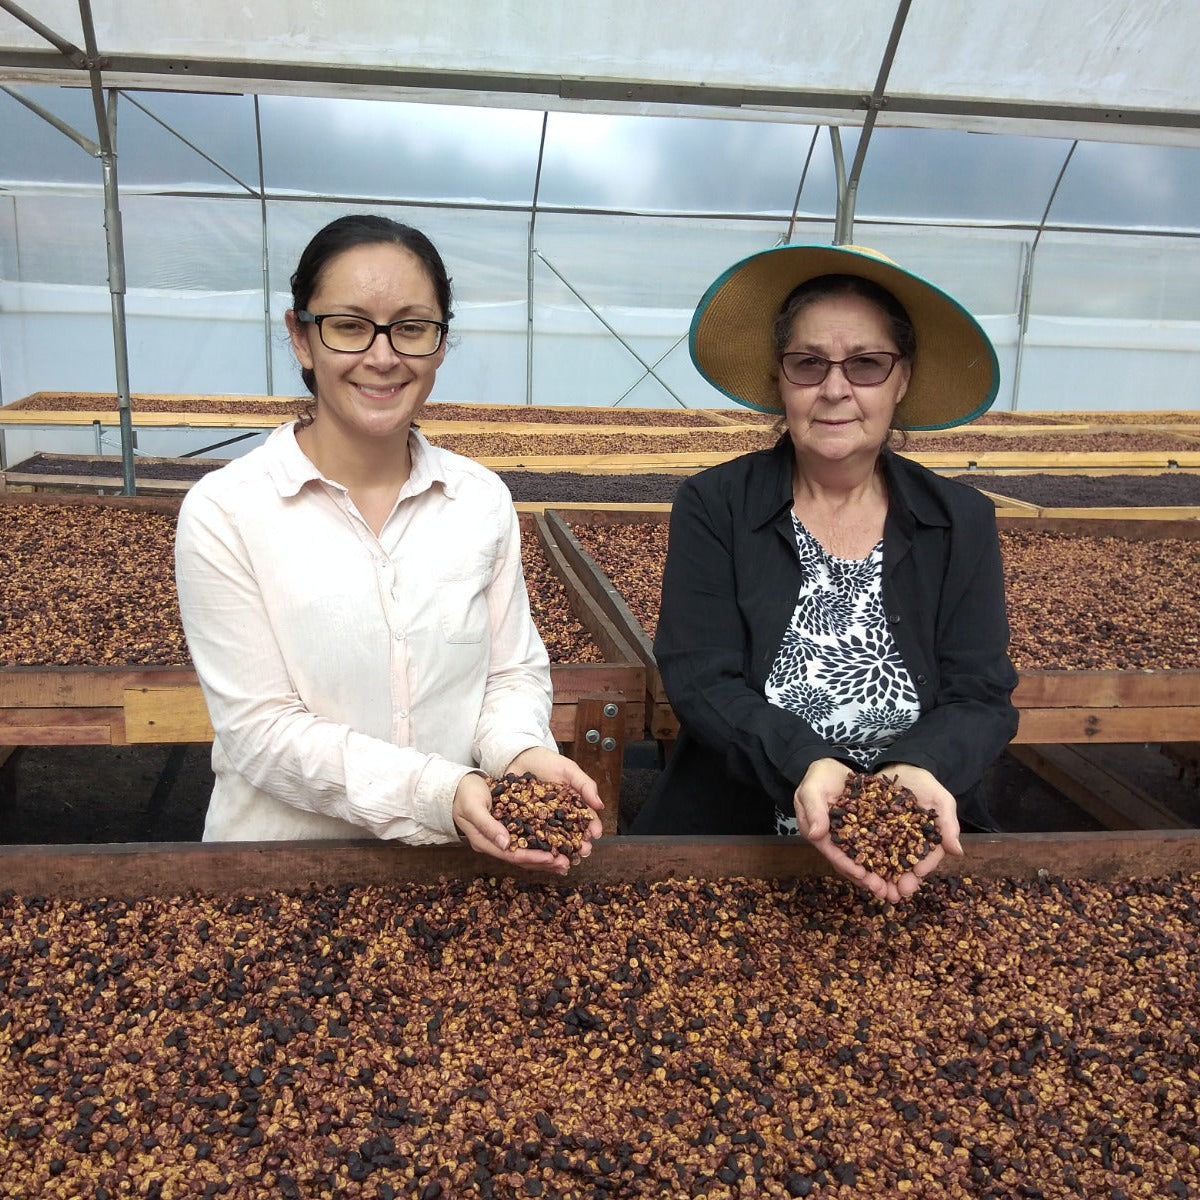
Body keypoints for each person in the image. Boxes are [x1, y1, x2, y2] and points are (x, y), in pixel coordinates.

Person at [174, 214, 602, 873]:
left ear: (440, 343)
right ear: (302, 338)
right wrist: (440, 792)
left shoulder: (479, 500)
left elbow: (509, 672)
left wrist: (520, 752)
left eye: (411, 328)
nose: (382, 356)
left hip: (456, 869)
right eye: (349, 326)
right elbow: (260, 732)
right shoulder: (227, 511)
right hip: (280, 876)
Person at [631, 242, 1019, 902]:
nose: (835, 389)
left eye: (866, 364)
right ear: (780, 380)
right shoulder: (716, 505)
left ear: (902, 380)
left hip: (917, 837)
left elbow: (981, 692)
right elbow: (700, 678)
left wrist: (918, 770)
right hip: (744, 841)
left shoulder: (959, 519)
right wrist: (807, 762)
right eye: (808, 364)